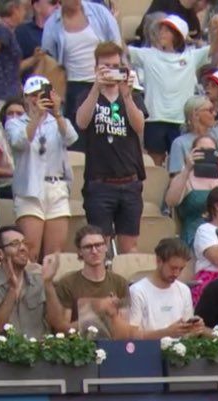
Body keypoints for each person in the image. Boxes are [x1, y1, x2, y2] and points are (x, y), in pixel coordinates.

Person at [74, 41, 145, 254]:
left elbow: (139, 125)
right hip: (99, 183)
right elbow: (81, 122)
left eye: (116, 65)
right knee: (99, 246)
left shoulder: (133, 95)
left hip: (130, 181)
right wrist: (97, 87)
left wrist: (127, 94)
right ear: (96, 68)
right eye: (106, 66)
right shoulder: (87, 95)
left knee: (129, 248)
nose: (112, 70)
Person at [5, 76, 76, 261]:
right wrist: (36, 117)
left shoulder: (58, 121)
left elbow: (71, 138)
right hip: (29, 191)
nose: (37, 99)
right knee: (30, 252)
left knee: (54, 255)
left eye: (41, 94)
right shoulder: (14, 123)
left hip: (56, 188)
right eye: (33, 95)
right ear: (26, 98)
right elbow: (19, 141)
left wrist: (58, 113)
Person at [128, 14, 210, 167]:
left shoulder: (191, 57)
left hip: (181, 121)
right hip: (154, 119)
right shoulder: (147, 55)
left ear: (177, 35)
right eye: (161, 30)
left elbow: (215, 49)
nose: (161, 33)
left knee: (181, 164)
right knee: (155, 163)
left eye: (167, 31)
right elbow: (121, 51)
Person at [41, 0, 122, 142]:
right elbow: (49, 59)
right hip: (74, 88)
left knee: (106, 136)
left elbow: (116, 45)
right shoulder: (52, 24)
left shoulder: (100, 12)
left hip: (104, 83)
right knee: (78, 139)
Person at [0, 224, 63, 335]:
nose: (23, 248)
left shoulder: (40, 281)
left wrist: (48, 284)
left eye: (24, 243)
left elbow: (58, 324)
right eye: (15, 244)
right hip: (7, 350)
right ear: (0, 253)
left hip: (40, 348)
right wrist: (12, 290)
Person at [52, 225, 131, 336]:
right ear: (80, 251)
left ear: (106, 247)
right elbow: (63, 330)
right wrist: (97, 312)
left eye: (98, 245)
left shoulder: (120, 282)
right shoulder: (67, 283)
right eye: (88, 247)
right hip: (79, 346)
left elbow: (125, 330)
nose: (94, 251)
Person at [127, 236, 208, 338]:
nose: (177, 273)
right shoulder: (137, 291)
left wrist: (194, 328)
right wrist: (166, 333)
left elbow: (188, 334)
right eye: (173, 268)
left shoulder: (184, 290)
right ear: (159, 261)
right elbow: (132, 335)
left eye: (181, 269)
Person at [164, 133, 218, 246]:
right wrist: (187, 169)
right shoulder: (186, 177)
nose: (206, 155)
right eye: (201, 151)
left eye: (210, 151)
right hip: (194, 235)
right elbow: (170, 201)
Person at [167, 95, 218, 175]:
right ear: (196, 114)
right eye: (210, 110)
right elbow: (175, 178)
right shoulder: (179, 143)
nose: (215, 114)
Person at [133, 0, 208, 46]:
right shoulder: (164, 2)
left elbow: (196, 43)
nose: (205, 8)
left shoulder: (194, 20)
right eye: (206, 2)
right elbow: (148, 27)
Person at [16, 0, 57, 76]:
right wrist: (34, 59)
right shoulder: (22, 32)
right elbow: (10, 68)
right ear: (37, 6)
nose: (58, 7)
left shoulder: (65, 32)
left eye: (60, 3)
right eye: (53, 3)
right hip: (35, 84)